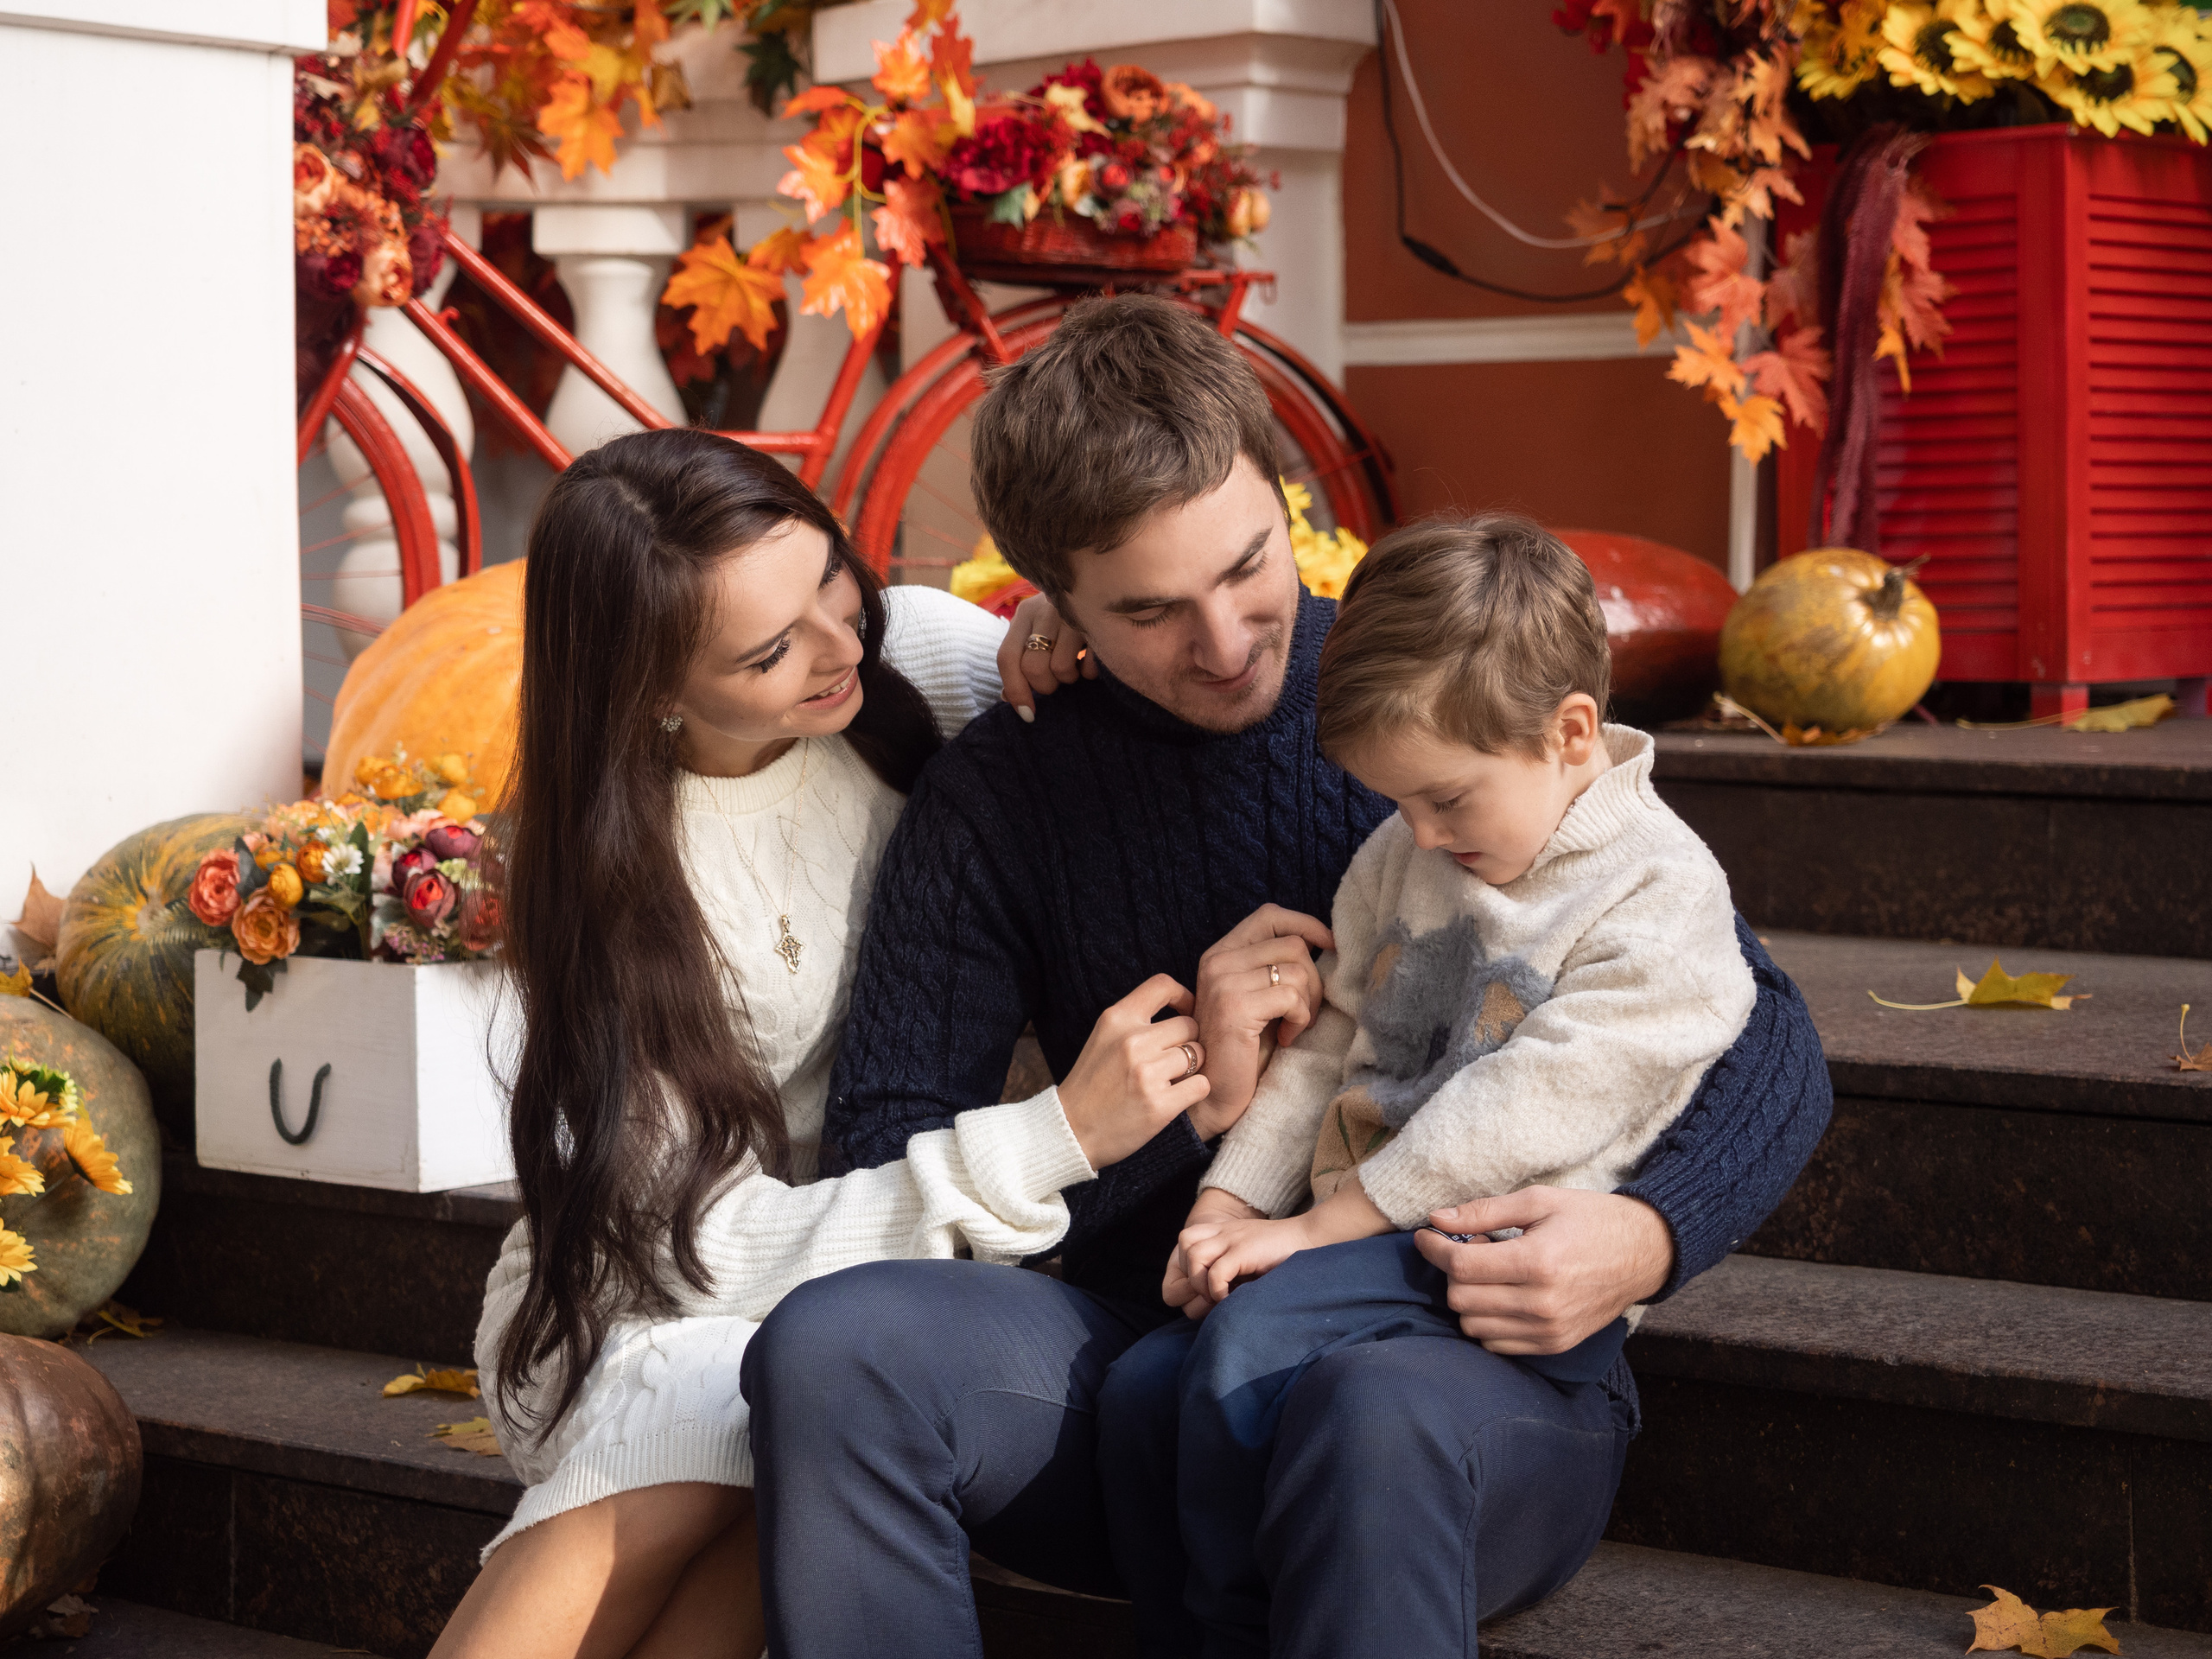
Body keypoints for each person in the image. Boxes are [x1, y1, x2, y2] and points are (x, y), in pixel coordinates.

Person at [739, 295, 1833, 1658]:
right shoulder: (1002, 802)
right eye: (1147, 610)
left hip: (1455, 1370)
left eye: (1246, 566)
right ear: (1049, 601)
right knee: (832, 1348)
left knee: (1362, 1413)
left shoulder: (1428, 700)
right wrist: (1156, 1122)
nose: (1226, 640)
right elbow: (881, 1160)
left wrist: (1650, 1234)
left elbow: (1757, 1025)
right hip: (1132, 1373)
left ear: (1281, 489)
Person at [430, 429, 1224, 1659]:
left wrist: (1049, 622)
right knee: (726, 1398)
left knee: (805, 1420)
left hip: (858, 1308)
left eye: (830, 587)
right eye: (769, 649)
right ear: (650, 690)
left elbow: (1079, 673)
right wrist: (1044, 1144)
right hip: (652, 1299)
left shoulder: (911, 663)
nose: (840, 648)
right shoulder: (610, 884)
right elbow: (686, 1249)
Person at [1100, 512, 1759, 1655]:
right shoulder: (1405, 860)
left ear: (1569, 732)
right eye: (1396, 801)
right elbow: (1329, 1046)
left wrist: (1316, 1237)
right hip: (1352, 1252)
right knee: (1143, 1390)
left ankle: (1236, 1623)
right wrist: (1233, 1201)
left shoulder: (1661, 898)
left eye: (1446, 798)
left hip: (1494, 1276)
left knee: (1249, 1352)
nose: (1419, 832)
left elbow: (1527, 1107)